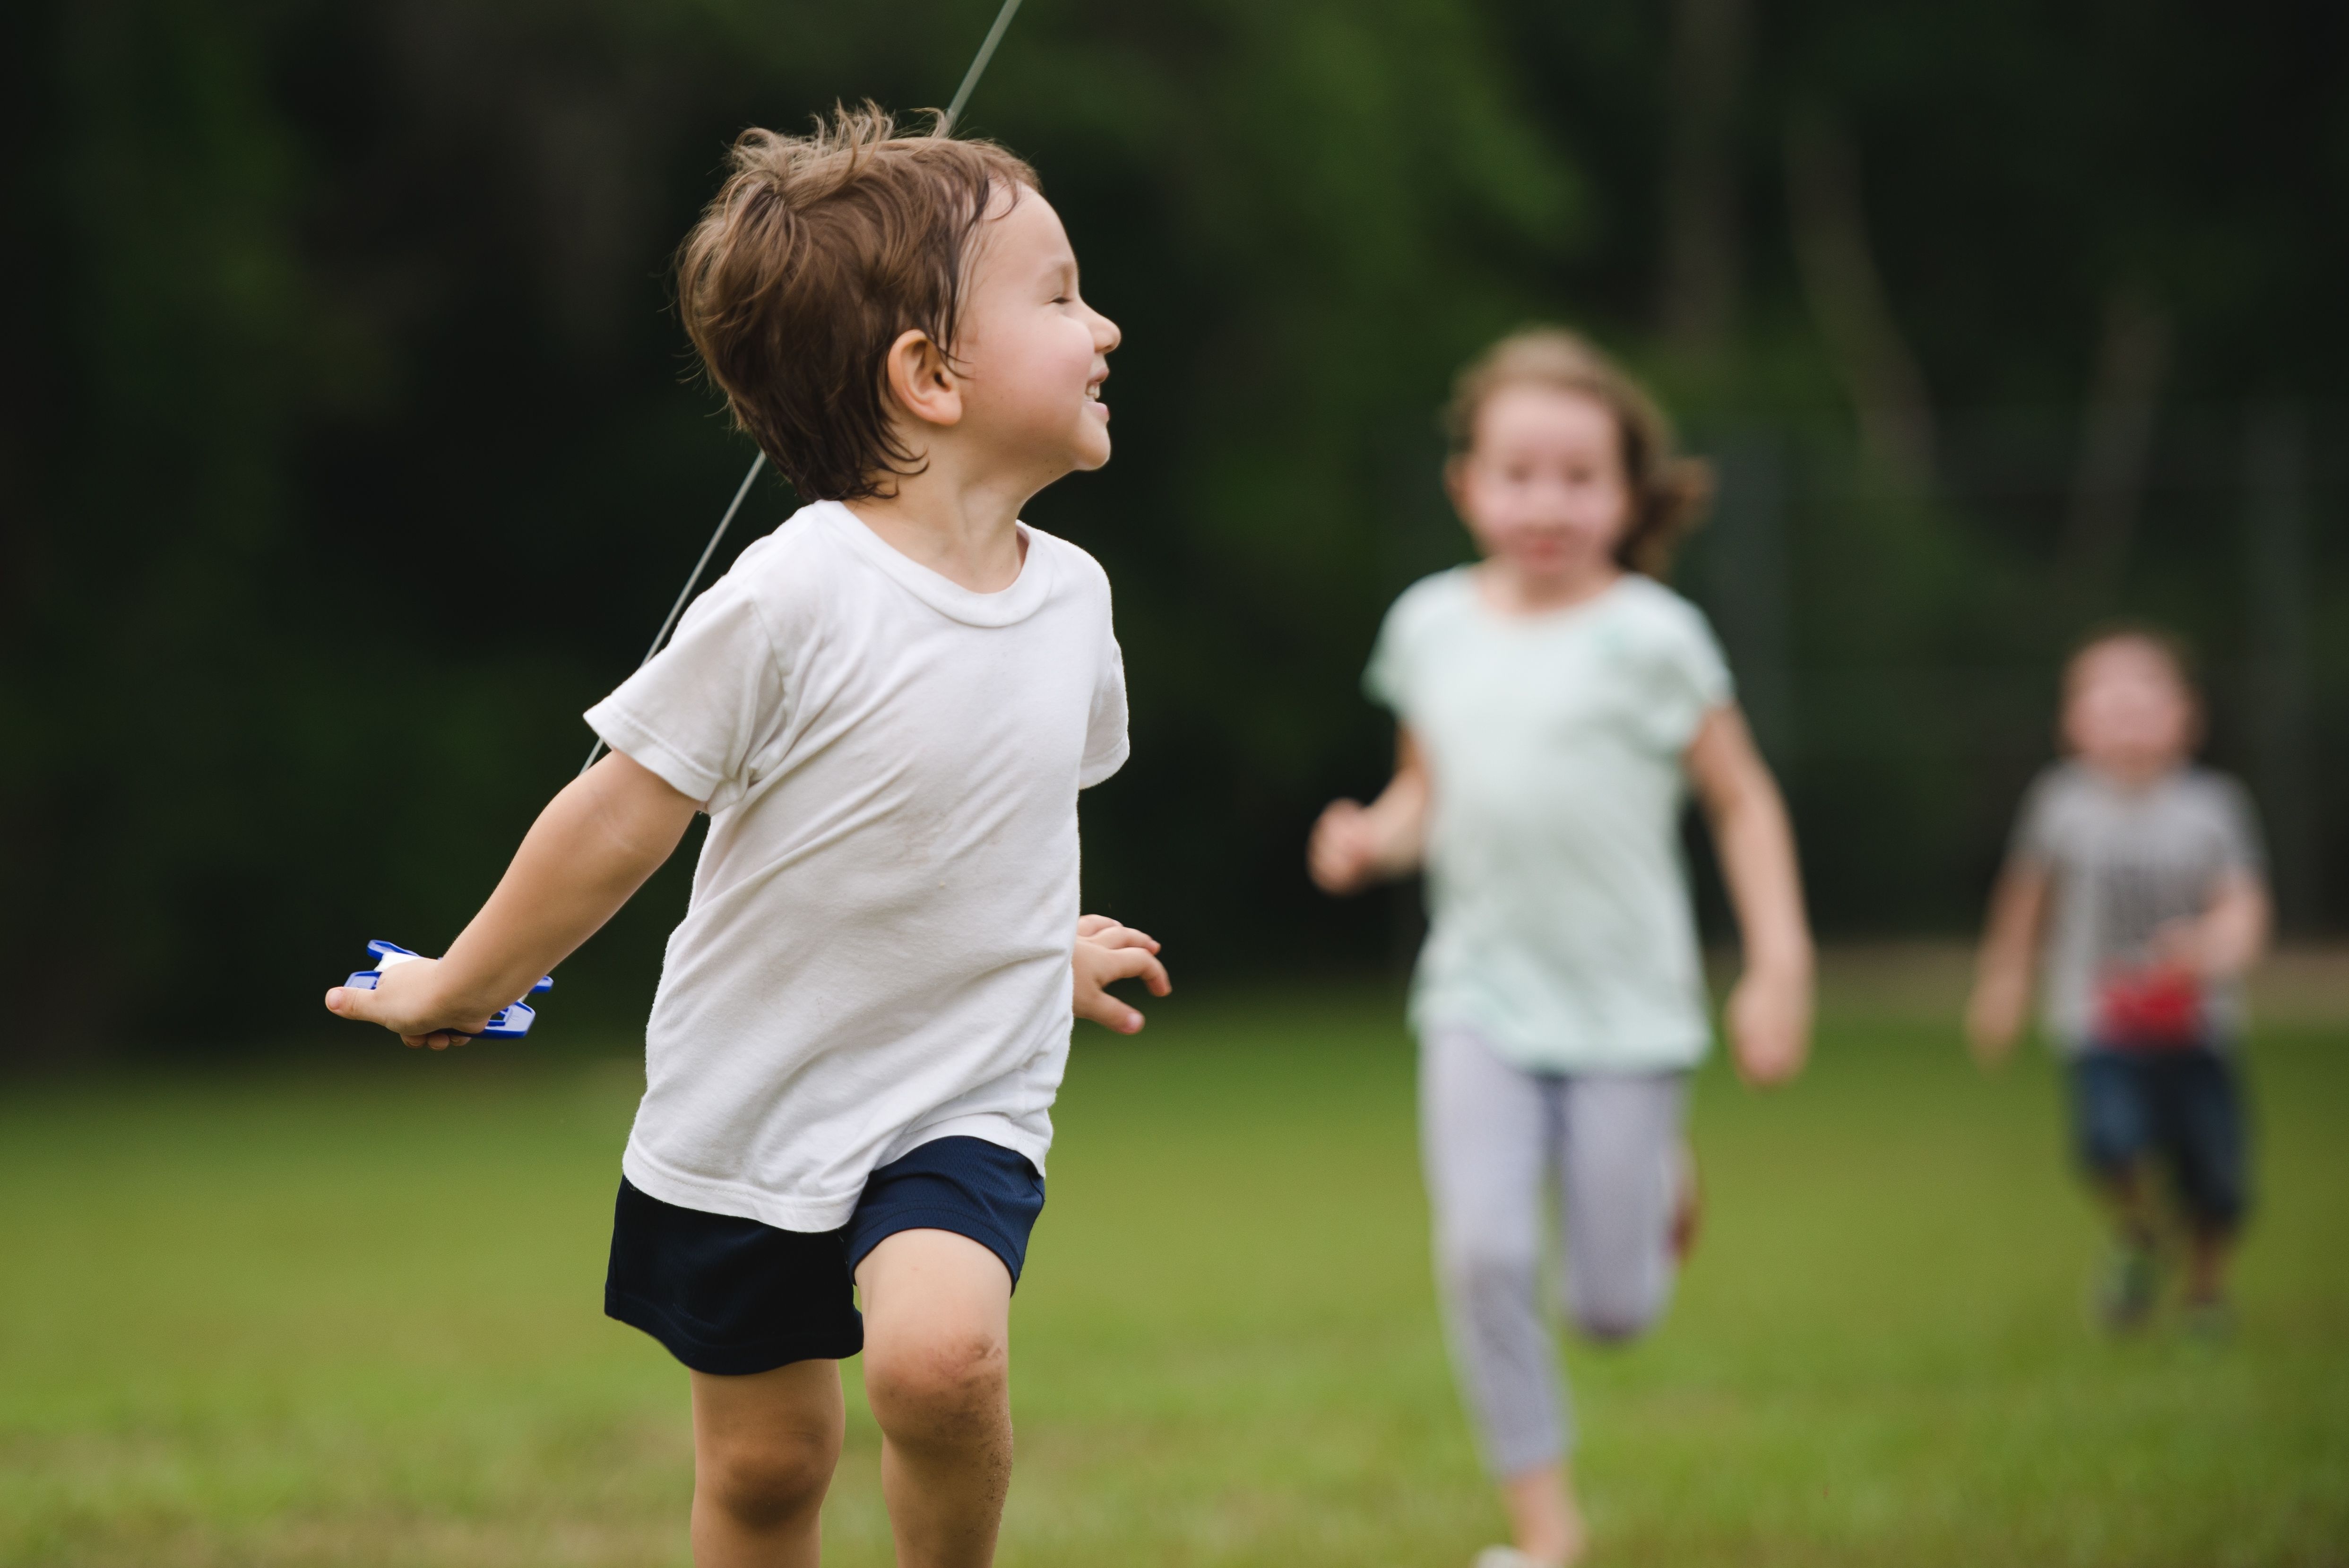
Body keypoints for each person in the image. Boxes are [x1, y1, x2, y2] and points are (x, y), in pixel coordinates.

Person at [324, 107, 1170, 1568]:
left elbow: (996, 828)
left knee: (939, 1360)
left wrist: (1051, 946)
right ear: (927, 374)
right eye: (1058, 294)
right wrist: (461, 983)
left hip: (957, 1092)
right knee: (772, 1465)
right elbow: (613, 822)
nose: (1102, 327)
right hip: (752, 1098)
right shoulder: (790, 598)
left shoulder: (1076, 599)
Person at [1309, 328, 1813, 1568]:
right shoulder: (1427, 624)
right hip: (1477, 989)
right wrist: (1372, 839)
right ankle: (1545, 1530)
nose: (1548, 502)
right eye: (1519, 472)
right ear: (1466, 485)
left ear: (1630, 495)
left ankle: (1656, 1182)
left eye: (1580, 477)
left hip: (1629, 1005)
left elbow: (1743, 800)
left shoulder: (1654, 636)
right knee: (1481, 1253)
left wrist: (1781, 960)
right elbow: (1428, 788)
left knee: (1612, 1306)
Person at [1966, 627, 2268, 1336]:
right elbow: (2025, 901)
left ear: (2187, 716)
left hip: (2197, 1027)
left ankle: (2204, 1294)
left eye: (2145, 695)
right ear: (2071, 723)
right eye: (2106, 697)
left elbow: (2245, 903)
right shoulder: (2060, 804)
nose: (2126, 711)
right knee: (2109, 1142)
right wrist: (2003, 983)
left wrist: (2216, 944)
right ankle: (2138, 1231)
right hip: (2098, 1022)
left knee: (2216, 1178)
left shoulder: (2213, 807)